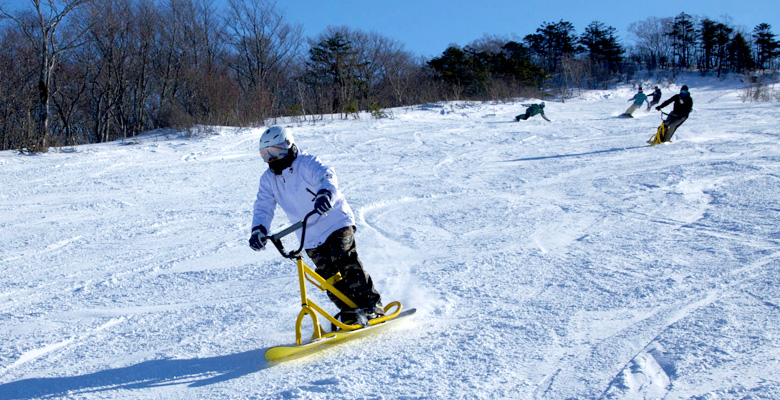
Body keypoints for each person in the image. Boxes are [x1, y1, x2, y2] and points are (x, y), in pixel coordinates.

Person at [248, 126, 384, 325]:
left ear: (288, 145)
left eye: (275, 152)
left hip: (334, 219)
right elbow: (263, 206)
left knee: (343, 258)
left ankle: (372, 306)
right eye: (265, 154)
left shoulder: (307, 163)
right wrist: (258, 229)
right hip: (309, 233)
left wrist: (325, 193)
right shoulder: (268, 180)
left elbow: (327, 176)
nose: (272, 159)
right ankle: (351, 310)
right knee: (327, 275)